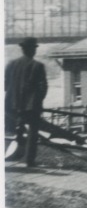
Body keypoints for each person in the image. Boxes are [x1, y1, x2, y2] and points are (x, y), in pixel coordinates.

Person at [5, 37, 48, 166]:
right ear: (32, 50)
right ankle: (29, 160)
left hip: (11, 105)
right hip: (30, 106)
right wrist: (38, 101)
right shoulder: (38, 66)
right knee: (32, 133)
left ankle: (12, 154)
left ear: (22, 49)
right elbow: (43, 88)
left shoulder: (11, 64)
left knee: (10, 130)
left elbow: (5, 85)